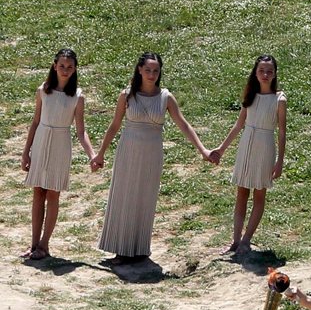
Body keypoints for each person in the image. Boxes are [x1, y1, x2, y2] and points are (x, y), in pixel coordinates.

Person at [91, 53, 215, 263]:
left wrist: (202, 150)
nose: (151, 74)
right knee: (125, 196)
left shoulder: (166, 97)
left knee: (145, 197)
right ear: (140, 70)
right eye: (148, 70)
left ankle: (140, 248)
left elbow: (183, 124)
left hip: (152, 152)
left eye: (155, 71)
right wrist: (100, 153)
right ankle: (122, 249)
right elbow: (114, 125)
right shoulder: (127, 95)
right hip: (129, 150)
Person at [20, 48, 95, 260]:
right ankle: (34, 244)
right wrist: (26, 152)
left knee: (53, 193)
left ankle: (44, 244)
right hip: (42, 140)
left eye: (69, 67)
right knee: (38, 191)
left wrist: (92, 155)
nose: (65, 70)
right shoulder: (43, 90)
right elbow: (35, 122)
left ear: (75, 69)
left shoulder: (77, 96)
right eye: (61, 65)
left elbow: (81, 131)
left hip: (61, 143)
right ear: (54, 66)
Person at [211, 55, 287, 255]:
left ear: (274, 74)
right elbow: (238, 125)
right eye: (261, 70)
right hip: (247, 143)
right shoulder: (250, 95)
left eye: (269, 71)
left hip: (265, 145)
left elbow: (282, 132)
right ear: (255, 72)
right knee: (242, 192)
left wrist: (280, 161)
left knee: (259, 193)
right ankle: (236, 240)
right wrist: (221, 149)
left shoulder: (279, 99)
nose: (265, 74)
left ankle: (246, 240)